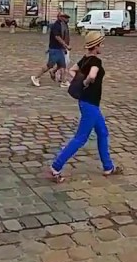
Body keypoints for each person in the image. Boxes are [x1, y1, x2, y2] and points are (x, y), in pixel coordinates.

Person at [48, 30, 122, 182]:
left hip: (89, 103)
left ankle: (108, 166)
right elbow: (92, 75)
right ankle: (56, 166)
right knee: (80, 138)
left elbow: (71, 71)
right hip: (90, 105)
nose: (103, 45)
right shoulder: (95, 61)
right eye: (101, 43)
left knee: (102, 132)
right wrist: (86, 83)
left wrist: (80, 81)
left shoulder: (85, 59)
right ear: (96, 46)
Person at [31, 12, 71, 87]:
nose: (66, 18)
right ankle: (36, 77)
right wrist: (65, 46)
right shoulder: (56, 26)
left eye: (67, 17)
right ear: (59, 17)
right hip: (55, 49)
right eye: (65, 17)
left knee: (63, 66)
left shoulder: (61, 25)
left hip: (59, 49)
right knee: (49, 65)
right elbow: (57, 37)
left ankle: (64, 81)